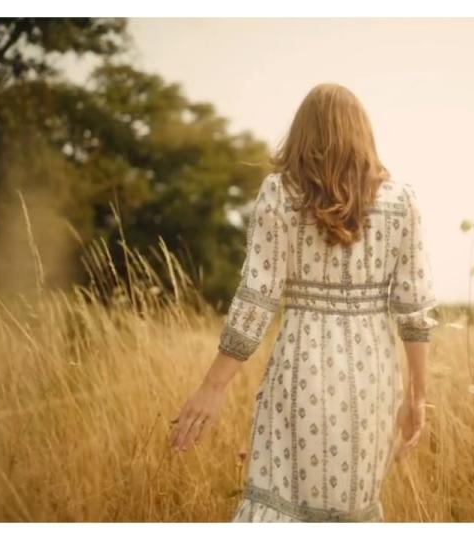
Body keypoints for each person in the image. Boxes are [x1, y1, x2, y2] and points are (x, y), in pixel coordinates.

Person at [169, 82, 437, 522]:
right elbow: (414, 309)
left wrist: (212, 387)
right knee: (352, 511)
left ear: (303, 133)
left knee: (278, 503)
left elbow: (256, 300)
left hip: (301, 370)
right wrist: (417, 394)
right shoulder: (402, 201)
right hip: (372, 379)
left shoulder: (279, 194)